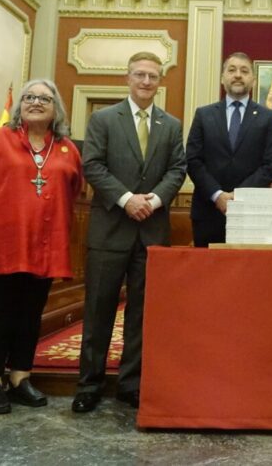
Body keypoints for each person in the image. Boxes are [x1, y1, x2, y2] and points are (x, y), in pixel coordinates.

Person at [0, 80, 83, 415]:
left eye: (44, 98)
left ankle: (20, 377)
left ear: (57, 109)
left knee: (30, 313)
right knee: (0, 311)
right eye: (29, 97)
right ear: (20, 105)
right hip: (2, 243)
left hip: (45, 243)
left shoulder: (67, 148)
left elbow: (76, 188)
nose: (35, 102)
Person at [72, 52, 187, 412]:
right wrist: (126, 199)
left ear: (160, 82)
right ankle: (89, 385)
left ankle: (131, 383)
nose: (146, 81)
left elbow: (177, 168)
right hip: (110, 230)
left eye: (153, 76)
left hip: (151, 230)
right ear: (127, 78)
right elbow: (92, 165)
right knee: (98, 310)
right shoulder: (103, 119)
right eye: (140, 75)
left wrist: (152, 201)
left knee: (141, 312)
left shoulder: (171, 125)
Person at [187, 53, 272, 247]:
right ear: (222, 78)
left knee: (248, 275)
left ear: (253, 80)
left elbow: (270, 165)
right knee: (208, 275)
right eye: (232, 70)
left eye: (244, 71)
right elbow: (193, 160)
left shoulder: (268, 117)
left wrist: (240, 196)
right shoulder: (204, 115)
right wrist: (217, 195)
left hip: (252, 212)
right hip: (208, 210)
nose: (238, 75)